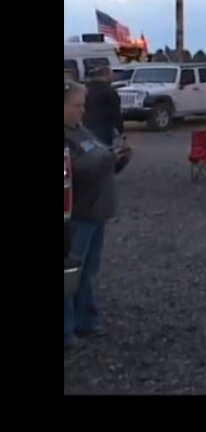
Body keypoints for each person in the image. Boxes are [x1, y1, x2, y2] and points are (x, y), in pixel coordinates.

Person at [64, 80, 130, 352]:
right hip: (77, 215)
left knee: (88, 272)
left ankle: (86, 319)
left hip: (96, 212)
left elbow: (100, 161)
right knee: (69, 274)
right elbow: (74, 172)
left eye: (83, 105)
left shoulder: (82, 131)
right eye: (77, 106)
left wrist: (119, 159)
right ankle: (67, 331)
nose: (82, 111)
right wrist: (106, 159)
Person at [83, 64, 123, 147]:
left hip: (84, 127)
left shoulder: (84, 89)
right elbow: (115, 112)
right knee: (104, 152)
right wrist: (120, 129)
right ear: (106, 75)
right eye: (112, 75)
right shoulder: (109, 91)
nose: (113, 78)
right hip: (104, 128)